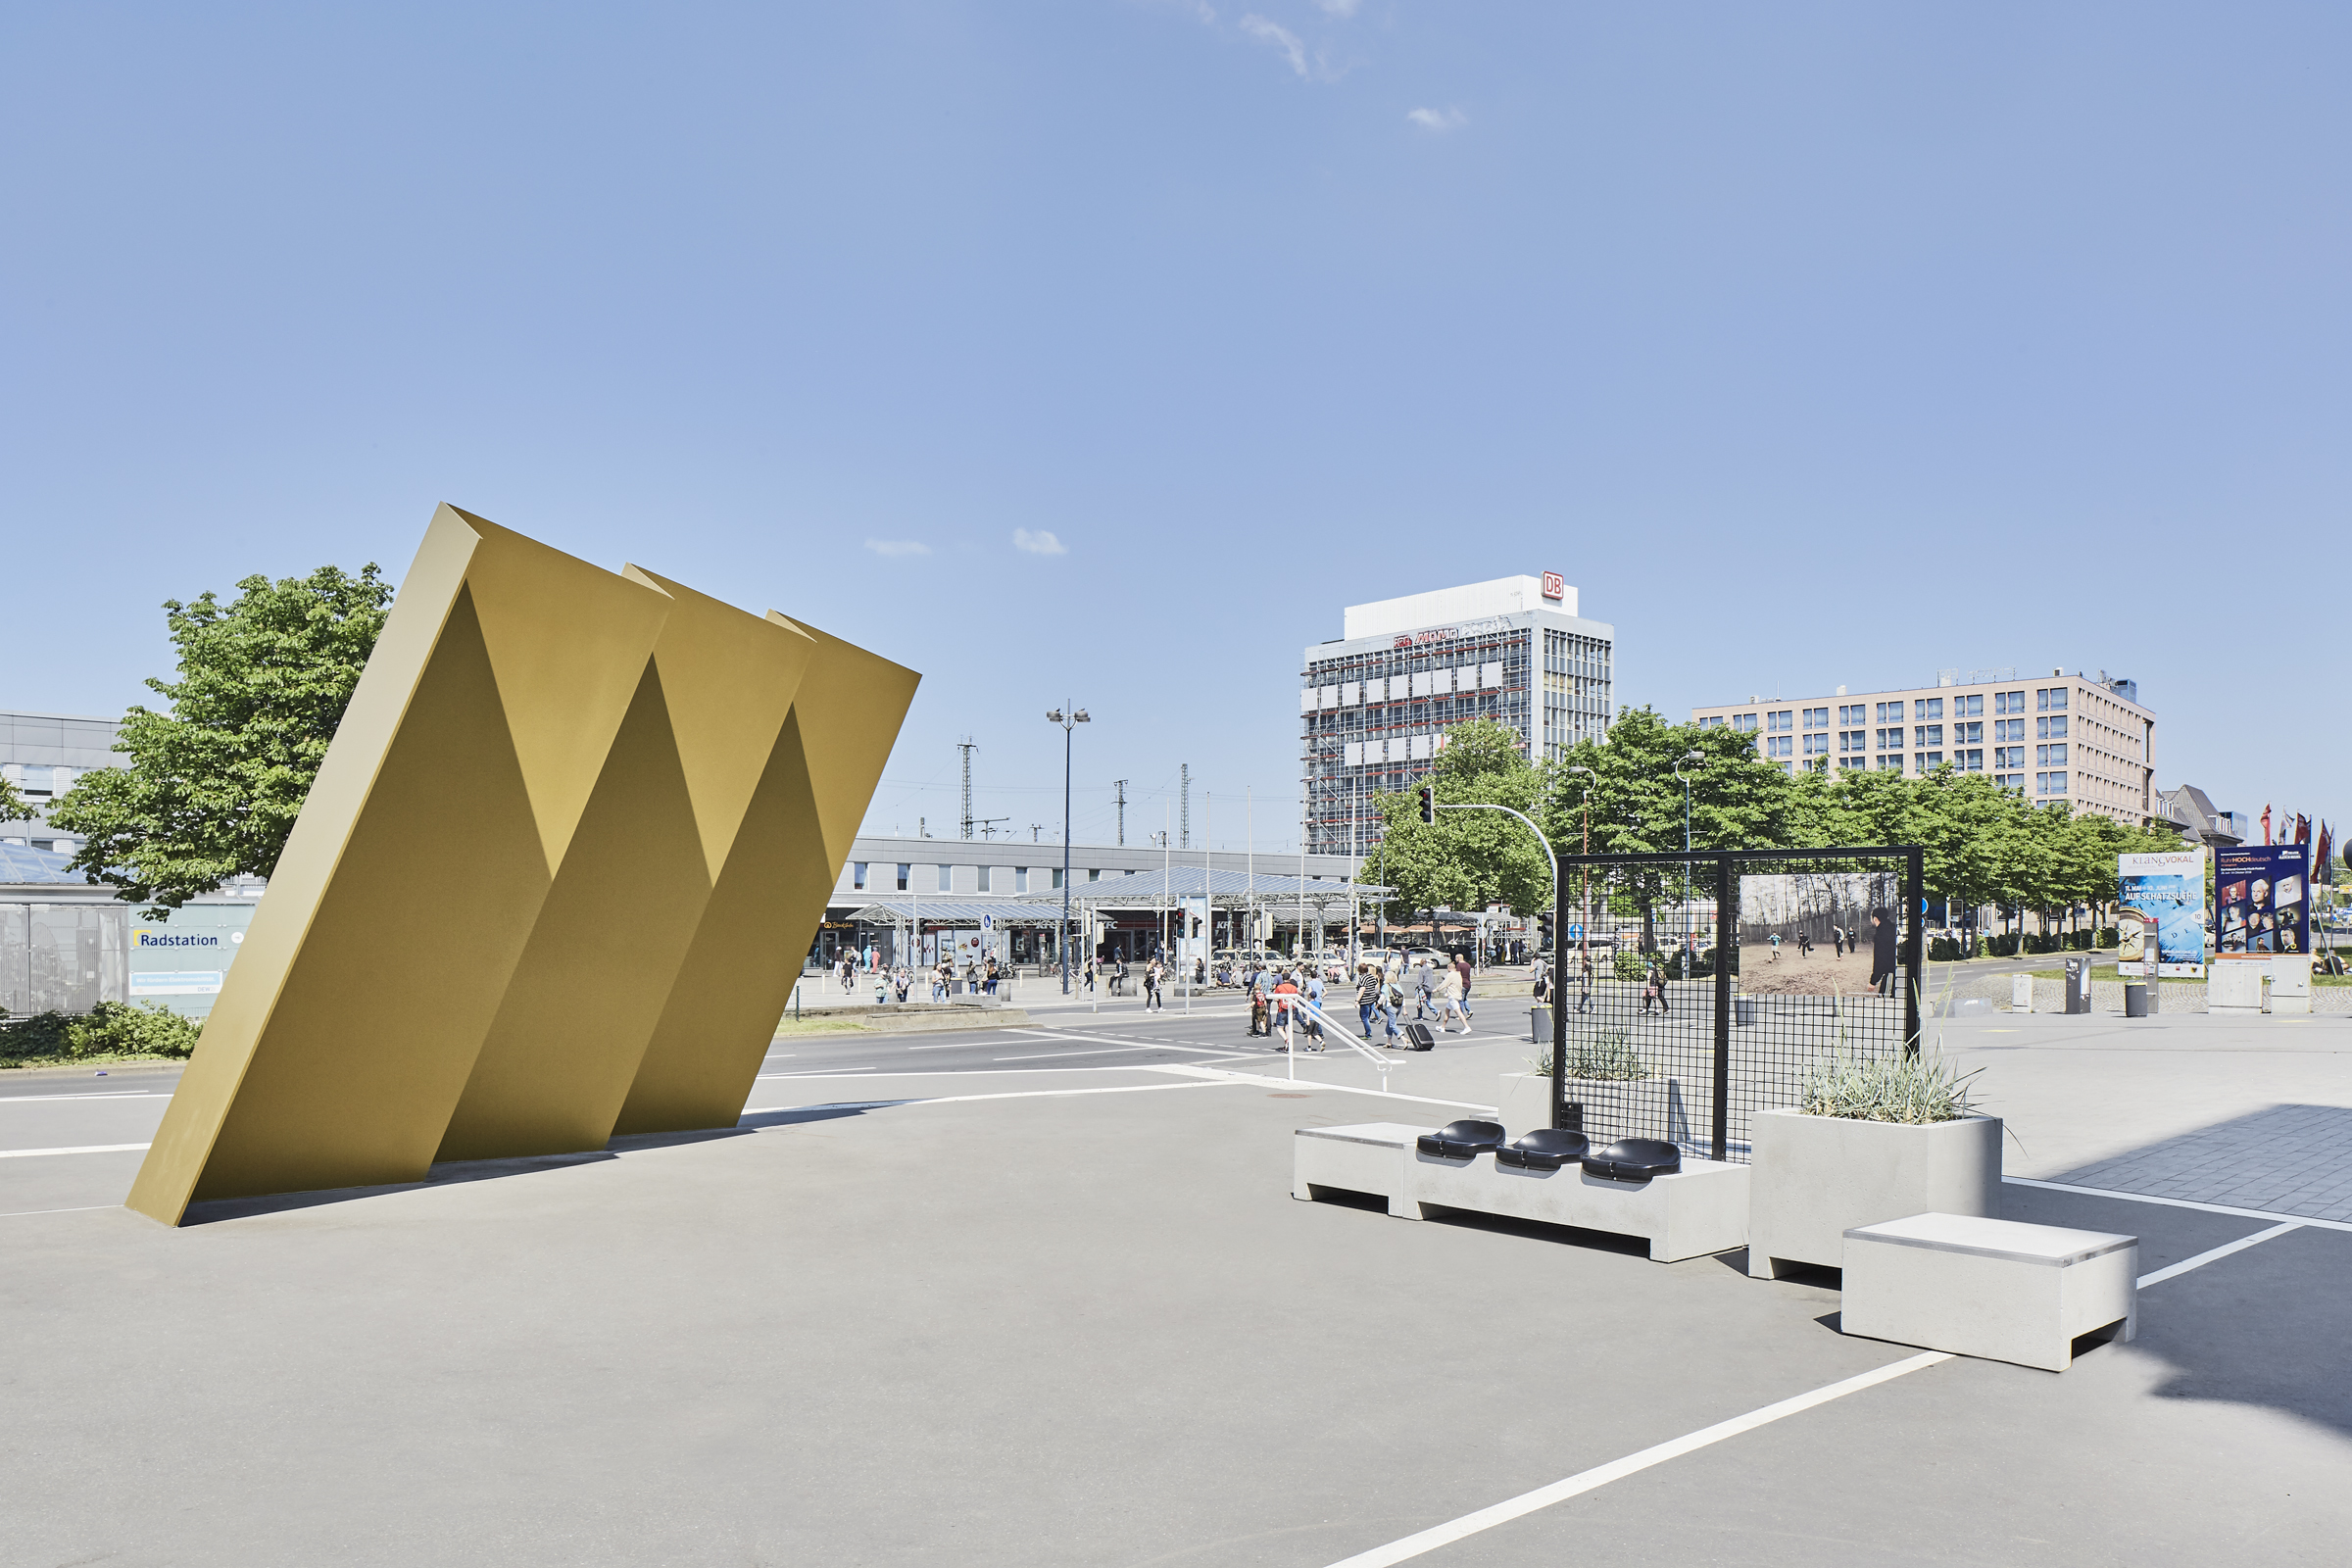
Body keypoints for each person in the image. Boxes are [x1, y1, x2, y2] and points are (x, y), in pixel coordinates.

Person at [1434, 960, 1469, 1034]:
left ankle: (1466, 1027)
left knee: (1458, 1012)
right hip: (1456, 995)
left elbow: (1444, 984)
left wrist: (1436, 990)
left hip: (1453, 996)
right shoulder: (1458, 974)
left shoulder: (1450, 975)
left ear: (1449, 968)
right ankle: (1442, 1027)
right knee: (1447, 1011)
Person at [1868, 909, 1897, 998]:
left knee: (1886, 1000)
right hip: (1894, 972)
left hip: (1890, 974)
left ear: (1875, 919)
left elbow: (1880, 959)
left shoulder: (1881, 934)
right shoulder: (1893, 928)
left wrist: (1873, 981)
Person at [1270, 969, 1300, 1051]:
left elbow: (1276, 998)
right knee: (1288, 1027)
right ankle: (1287, 1045)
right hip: (1291, 1009)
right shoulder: (1294, 987)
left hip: (1282, 1009)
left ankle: (1286, 1040)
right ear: (1289, 979)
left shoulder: (1279, 987)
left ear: (1282, 979)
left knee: (1279, 1027)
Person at [1302, 967, 1326, 1049]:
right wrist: (1321, 997)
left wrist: (1308, 1000)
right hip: (1318, 1001)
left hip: (1312, 1002)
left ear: (1310, 976)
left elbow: (1309, 991)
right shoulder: (1319, 982)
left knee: (1312, 1016)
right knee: (1317, 1016)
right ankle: (1318, 1033)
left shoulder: (1310, 983)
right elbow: (1325, 991)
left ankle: (1315, 1034)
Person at [1452, 953, 1475, 1025]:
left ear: (1459, 958)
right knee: (1464, 998)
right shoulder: (1468, 965)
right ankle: (1469, 1010)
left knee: (1460, 1000)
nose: (1455, 959)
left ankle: (1461, 1014)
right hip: (1468, 984)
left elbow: (1458, 975)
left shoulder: (1459, 965)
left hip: (1462, 984)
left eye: (1456, 958)